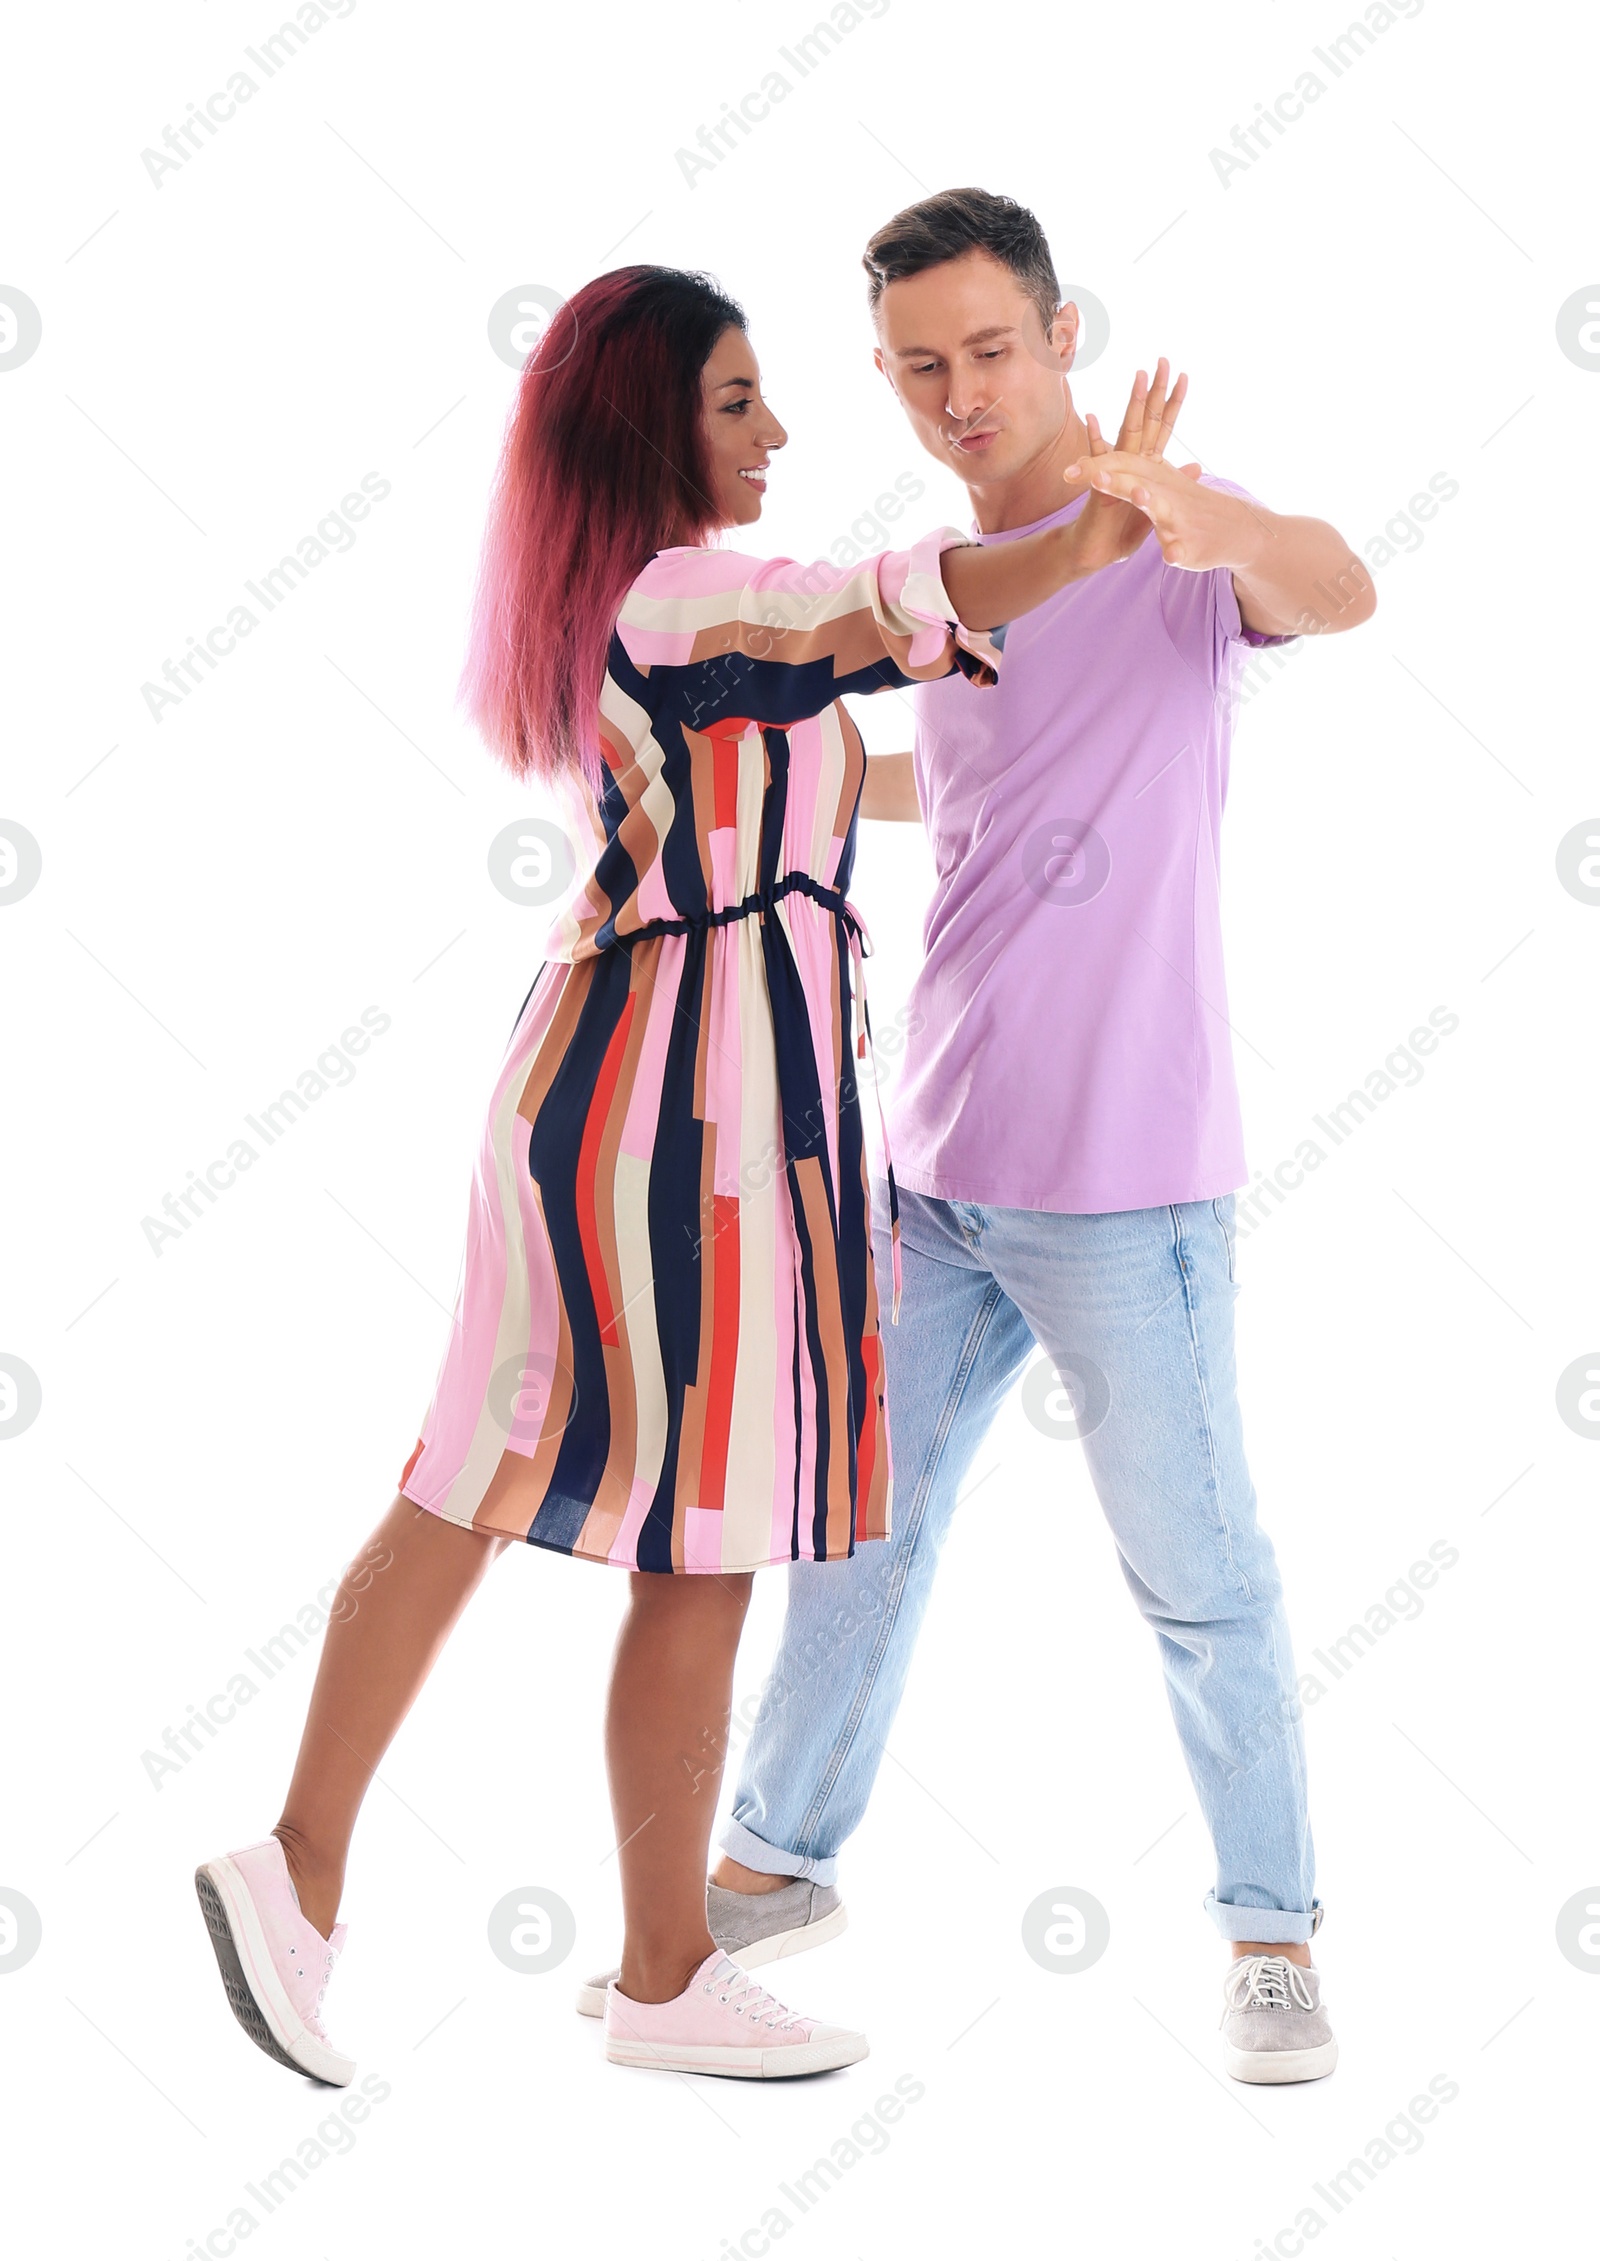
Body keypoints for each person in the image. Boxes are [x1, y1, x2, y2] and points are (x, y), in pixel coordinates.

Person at [193, 261, 1187, 2084]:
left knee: (477, 1477)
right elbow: (900, 599)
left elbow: (858, 736)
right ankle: (647, 1973)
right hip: (691, 1118)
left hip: (617, 1089)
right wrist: (1099, 517)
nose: (780, 429)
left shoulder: (661, 613)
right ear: (658, 420)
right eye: (740, 400)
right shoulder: (697, 590)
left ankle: (313, 1872)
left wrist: (1050, 692)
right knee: (700, 1526)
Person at [588, 190, 1376, 2087]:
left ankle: (1272, 1933)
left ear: (1058, 336)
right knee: (856, 1532)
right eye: (923, 363)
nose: (963, 391)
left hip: (1129, 1187)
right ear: (887, 374)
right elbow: (940, 778)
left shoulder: (1174, 545)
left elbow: (1339, 585)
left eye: (994, 351)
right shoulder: (936, 588)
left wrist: (1207, 518)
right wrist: (714, 770)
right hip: (929, 1170)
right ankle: (777, 1861)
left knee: (1200, 1573)